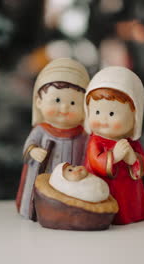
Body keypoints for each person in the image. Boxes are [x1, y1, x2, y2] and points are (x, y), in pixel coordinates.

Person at [16, 58, 89, 220]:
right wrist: (33, 151)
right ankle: (33, 211)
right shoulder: (41, 131)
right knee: (39, 197)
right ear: (39, 102)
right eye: (57, 100)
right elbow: (28, 147)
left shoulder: (83, 135)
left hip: (71, 182)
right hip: (41, 175)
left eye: (72, 102)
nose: (64, 108)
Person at [83, 66, 144, 225]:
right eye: (97, 112)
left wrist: (133, 159)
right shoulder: (96, 142)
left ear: (134, 117)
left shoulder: (131, 144)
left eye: (112, 114)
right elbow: (94, 162)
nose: (104, 120)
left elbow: (142, 164)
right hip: (103, 187)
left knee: (129, 202)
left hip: (128, 189)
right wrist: (114, 157)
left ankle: (133, 213)